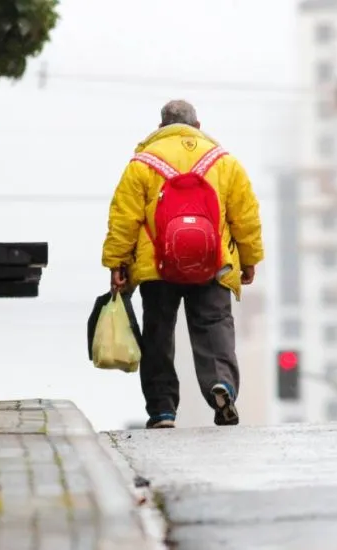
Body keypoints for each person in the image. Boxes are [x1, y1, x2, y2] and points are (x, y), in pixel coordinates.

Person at [101, 99, 264, 429]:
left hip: (157, 266)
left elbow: (124, 218)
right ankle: (222, 385)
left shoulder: (142, 164)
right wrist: (249, 258)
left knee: (159, 332)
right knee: (213, 324)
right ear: (198, 126)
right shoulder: (225, 163)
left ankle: (162, 410)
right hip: (213, 262)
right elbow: (245, 217)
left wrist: (117, 262)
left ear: (161, 127)